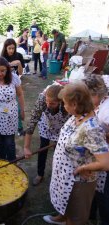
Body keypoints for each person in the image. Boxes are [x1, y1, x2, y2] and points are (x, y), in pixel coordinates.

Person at [49, 83, 109, 225]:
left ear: (75, 104)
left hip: (78, 181)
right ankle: (63, 217)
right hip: (66, 175)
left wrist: (83, 168)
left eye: (65, 103)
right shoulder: (78, 115)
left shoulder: (90, 128)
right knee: (68, 208)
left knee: (76, 218)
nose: (63, 106)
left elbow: (106, 163)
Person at [24, 84, 70, 186]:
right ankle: (40, 174)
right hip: (46, 126)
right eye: (47, 101)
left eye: (52, 103)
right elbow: (32, 123)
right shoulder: (42, 100)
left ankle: (57, 175)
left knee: (60, 153)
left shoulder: (67, 103)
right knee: (43, 149)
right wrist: (26, 147)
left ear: (60, 101)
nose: (48, 105)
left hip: (61, 127)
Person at [0, 57, 25, 161]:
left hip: (10, 116)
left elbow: (20, 95)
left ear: (7, 69)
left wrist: (22, 110)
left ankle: (12, 163)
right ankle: (2, 162)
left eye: (2, 71)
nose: (0, 74)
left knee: (10, 142)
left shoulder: (14, 78)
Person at [84, 75, 109, 225]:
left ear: (97, 94)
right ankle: (90, 215)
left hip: (106, 159)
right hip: (98, 155)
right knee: (93, 188)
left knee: (104, 196)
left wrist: (103, 136)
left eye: (88, 96)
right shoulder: (101, 103)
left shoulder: (107, 110)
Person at [1, 38, 25, 136]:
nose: (11, 50)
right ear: (5, 48)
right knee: (6, 107)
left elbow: (20, 72)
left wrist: (19, 63)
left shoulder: (19, 56)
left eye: (13, 48)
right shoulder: (2, 58)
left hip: (15, 85)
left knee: (18, 107)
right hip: (4, 86)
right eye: (9, 48)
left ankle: (19, 127)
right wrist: (9, 65)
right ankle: (6, 125)